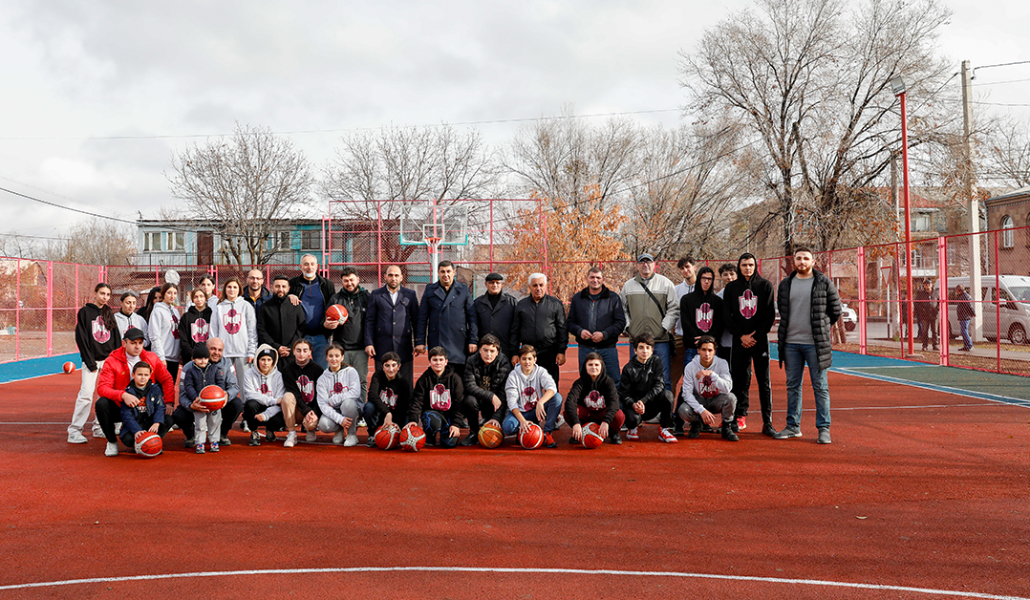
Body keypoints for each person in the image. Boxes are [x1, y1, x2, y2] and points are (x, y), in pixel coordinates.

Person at [774, 247, 842, 445]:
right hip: (790, 344)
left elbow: (835, 310)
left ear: (813, 261)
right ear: (794, 261)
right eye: (798, 258)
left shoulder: (824, 282)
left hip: (815, 345)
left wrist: (821, 327)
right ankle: (793, 427)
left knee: (820, 386)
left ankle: (824, 428)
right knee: (792, 386)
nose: (802, 261)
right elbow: (783, 311)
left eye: (805, 258)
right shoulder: (785, 284)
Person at [94, 328, 174, 457]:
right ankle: (112, 441)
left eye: (140, 343)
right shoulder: (112, 361)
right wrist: (123, 395)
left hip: (147, 407)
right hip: (123, 407)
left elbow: (167, 379)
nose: (137, 346)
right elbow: (102, 388)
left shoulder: (151, 358)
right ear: (124, 343)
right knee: (101, 404)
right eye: (133, 343)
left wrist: (169, 402)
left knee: (169, 417)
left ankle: (152, 441)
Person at [723, 252, 776, 436]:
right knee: (738, 381)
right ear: (739, 266)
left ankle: (767, 423)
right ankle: (735, 420)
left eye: (751, 265)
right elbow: (727, 315)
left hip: (759, 342)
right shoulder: (731, 288)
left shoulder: (765, 286)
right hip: (739, 342)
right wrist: (741, 336)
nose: (748, 268)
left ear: (755, 266)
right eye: (744, 265)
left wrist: (755, 335)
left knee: (764, 382)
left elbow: (769, 315)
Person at [67, 283, 122, 444]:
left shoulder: (109, 312)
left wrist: (116, 359)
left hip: (108, 361)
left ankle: (99, 428)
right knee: (86, 395)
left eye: (108, 294)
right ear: (95, 293)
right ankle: (74, 431)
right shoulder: (85, 312)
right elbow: (81, 338)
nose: (105, 297)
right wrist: (89, 361)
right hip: (91, 361)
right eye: (102, 293)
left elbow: (116, 338)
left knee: (105, 396)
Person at [620, 253, 679, 391]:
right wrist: (628, 327)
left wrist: (663, 328)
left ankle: (664, 405)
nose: (645, 265)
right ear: (637, 266)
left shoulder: (665, 283)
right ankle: (639, 405)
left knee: (664, 379)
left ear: (654, 264)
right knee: (636, 378)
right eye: (642, 262)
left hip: (660, 340)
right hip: (637, 341)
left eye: (648, 262)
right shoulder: (628, 286)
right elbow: (622, 309)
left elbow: (674, 308)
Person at [172, 336, 241, 447]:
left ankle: (222, 434)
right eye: (213, 349)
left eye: (220, 350)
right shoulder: (188, 367)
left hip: (218, 404)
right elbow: (183, 393)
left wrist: (226, 395)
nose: (216, 352)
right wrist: (191, 405)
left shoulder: (227, 364)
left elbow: (234, 386)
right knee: (179, 414)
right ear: (205, 348)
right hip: (197, 403)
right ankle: (190, 435)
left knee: (237, 404)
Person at [415, 260, 477, 377]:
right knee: (438, 378)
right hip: (437, 339)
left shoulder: (463, 290)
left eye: (448, 271)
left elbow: (472, 317)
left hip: (459, 342)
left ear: (454, 272)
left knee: (459, 379)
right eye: (442, 271)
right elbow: (422, 318)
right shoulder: (430, 290)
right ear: (438, 273)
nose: (446, 274)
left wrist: (473, 339)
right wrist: (420, 341)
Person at [566, 267, 626, 385]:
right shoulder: (578, 298)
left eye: (598, 277)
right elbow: (570, 322)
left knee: (613, 382)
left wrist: (604, 334)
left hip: (608, 348)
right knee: (587, 382)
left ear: (603, 279)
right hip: (585, 348)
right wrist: (580, 331)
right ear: (586, 279)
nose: (595, 280)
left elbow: (620, 323)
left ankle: (613, 399)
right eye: (592, 277)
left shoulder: (613, 298)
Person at [364, 265, 420, 384]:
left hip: (403, 346)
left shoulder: (410, 295)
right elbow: (370, 320)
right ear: (385, 277)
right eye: (390, 275)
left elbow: (416, 320)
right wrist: (369, 343)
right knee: (382, 384)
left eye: (396, 275)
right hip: (382, 346)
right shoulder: (376, 294)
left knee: (406, 384)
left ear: (401, 277)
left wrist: (419, 342)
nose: (393, 278)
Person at [510, 273, 567, 384]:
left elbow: (562, 329)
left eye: (541, 285)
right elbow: (515, 331)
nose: (538, 288)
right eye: (535, 285)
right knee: (529, 387)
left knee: (551, 386)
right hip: (528, 353)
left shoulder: (555, 304)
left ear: (545, 286)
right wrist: (514, 353)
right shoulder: (521, 305)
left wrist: (561, 351)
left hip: (550, 352)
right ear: (529, 287)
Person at [619, 333, 677, 443]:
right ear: (635, 350)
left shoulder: (656, 362)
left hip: (651, 405)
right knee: (632, 418)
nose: (644, 351)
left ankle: (664, 429)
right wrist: (634, 404)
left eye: (647, 347)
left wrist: (644, 400)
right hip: (635, 407)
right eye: (641, 347)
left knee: (668, 395)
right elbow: (623, 393)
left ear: (652, 350)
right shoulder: (628, 368)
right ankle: (632, 427)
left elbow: (659, 385)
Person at [680, 336, 738, 442]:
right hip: (699, 400)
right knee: (683, 410)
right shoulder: (690, 367)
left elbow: (727, 388)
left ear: (714, 351)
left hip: (716, 400)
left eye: (710, 350)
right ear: (698, 351)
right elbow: (686, 394)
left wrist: (711, 374)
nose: (707, 354)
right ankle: (696, 423)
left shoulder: (722, 364)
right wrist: (701, 410)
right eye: (703, 350)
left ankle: (726, 427)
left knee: (731, 398)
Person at [503, 345, 562, 448]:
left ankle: (547, 433)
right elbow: (512, 403)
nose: (527, 362)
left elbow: (552, 388)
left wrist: (541, 402)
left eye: (530, 359)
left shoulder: (540, 372)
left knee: (557, 398)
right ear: (519, 360)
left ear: (535, 360)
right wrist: (522, 421)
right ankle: (522, 431)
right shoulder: (513, 376)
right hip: (521, 412)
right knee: (508, 427)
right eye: (524, 359)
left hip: (536, 411)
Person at [326, 267, 371, 402]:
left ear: (358, 279)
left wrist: (370, 343)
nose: (349, 283)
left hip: (360, 348)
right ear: (342, 281)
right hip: (341, 348)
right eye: (346, 281)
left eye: (352, 280)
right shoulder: (335, 299)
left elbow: (372, 321)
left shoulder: (367, 297)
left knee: (361, 381)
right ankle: (342, 408)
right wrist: (327, 325)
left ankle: (361, 409)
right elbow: (325, 322)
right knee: (341, 382)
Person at [459, 334, 512, 446]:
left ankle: (494, 422)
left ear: (497, 352)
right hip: (482, 398)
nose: (488, 354)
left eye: (492, 351)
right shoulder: (471, 360)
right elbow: (469, 385)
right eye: (485, 350)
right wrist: (490, 396)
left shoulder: (504, 364)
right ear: (479, 350)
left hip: (498, 403)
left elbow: (503, 394)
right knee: (469, 400)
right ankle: (474, 432)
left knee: (500, 426)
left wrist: (496, 418)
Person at [408, 346, 466, 448]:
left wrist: (456, 424)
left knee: (449, 444)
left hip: (448, 415)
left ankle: (445, 431)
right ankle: (430, 436)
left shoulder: (455, 379)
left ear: (446, 362)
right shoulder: (424, 379)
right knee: (432, 422)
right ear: (429, 362)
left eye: (441, 360)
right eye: (435, 360)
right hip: (431, 413)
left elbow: (459, 403)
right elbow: (417, 401)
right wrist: (413, 420)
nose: (438, 363)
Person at [288, 254, 336, 369]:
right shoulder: (293, 284)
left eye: (312, 264)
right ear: (300, 267)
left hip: (322, 336)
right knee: (300, 371)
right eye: (306, 264)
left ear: (317, 266)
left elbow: (332, 307)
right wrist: (288, 296)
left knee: (321, 371)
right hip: (301, 336)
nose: (309, 267)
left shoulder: (327, 285)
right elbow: (281, 298)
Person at [566, 353, 624, 445]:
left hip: (602, 414)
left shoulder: (608, 382)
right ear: (585, 366)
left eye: (596, 365)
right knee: (568, 412)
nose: (593, 367)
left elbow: (614, 403)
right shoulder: (579, 383)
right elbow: (570, 402)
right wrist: (576, 423)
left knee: (619, 415)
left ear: (602, 366)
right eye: (590, 365)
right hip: (587, 414)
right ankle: (579, 432)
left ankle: (613, 432)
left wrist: (606, 421)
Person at [210, 276, 258, 387]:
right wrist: (214, 351)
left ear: (239, 290)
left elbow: (252, 331)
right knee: (222, 383)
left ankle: (244, 400)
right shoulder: (219, 308)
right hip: (223, 353)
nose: (232, 289)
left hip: (243, 352)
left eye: (235, 287)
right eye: (229, 287)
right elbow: (213, 332)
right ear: (225, 289)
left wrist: (251, 352)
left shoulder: (246, 306)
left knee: (245, 384)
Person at [178, 343, 226, 454]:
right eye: (199, 358)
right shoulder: (190, 371)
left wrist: (220, 393)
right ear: (193, 359)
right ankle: (200, 442)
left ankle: (214, 441)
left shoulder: (214, 369)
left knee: (215, 422)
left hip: (214, 403)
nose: (203, 361)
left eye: (205, 358)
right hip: (200, 403)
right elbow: (188, 386)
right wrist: (195, 397)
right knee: (200, 424)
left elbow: (220, 382)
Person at [316, 343, 364, 446]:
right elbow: (323, 404)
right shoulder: (322, 379)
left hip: (351, 408)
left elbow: (355, 392)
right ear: (326, 358)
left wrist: (334, 399)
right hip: (335, 411)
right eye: (331, 356)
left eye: (337, 356)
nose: (334, 359)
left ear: (342, 357)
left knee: (347, 404)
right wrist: (340, 419)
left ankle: (352, 434)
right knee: (324, 425)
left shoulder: (351, 372)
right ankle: (340, 429)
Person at [242, 345, 290, 446]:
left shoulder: (279, 376)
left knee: (284, 413)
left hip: (273, 409)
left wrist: (266, 415)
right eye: (262, 359)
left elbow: (280, 401)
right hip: (257, 407)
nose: (265, 363)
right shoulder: (249, 374)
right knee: (250, 405)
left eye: (269, 359)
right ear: (257, 360)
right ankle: (254, 432)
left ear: (273, 361)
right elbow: (250, 394)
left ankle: (270, 430)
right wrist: (273, 401)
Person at [118, 361, 170, 454]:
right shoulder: (127, 392)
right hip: (136, 422)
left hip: (150, 423)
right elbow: (126, 415)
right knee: (128, 439)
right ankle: (139, 445)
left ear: (150, 376)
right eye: (140, 374)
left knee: (168, 419)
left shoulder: (155, 389)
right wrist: (136, 430)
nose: (143, 377)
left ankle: (154, 442)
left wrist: (157, 422)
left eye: (146, 375)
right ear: (133, 375)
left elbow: (160, 407)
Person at [363, 351, 413, 447]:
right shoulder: (378, 376)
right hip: (381, 413)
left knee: (408, 419)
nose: (391, 369)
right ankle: (373, 433)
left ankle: (398, 433)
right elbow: (372, 396)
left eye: (394, 365)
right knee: (369, 407)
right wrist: (387, 413)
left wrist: (396, 423)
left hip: (396, 414)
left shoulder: (403, 382)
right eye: (387, 365)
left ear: (399, 366)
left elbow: (403, 407)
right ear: (382, 367)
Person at [279, 339, 324, 444]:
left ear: (310, 352)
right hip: (297, 410)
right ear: (293, 351)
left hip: (312, 410)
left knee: (311, 426)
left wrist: (313, 413)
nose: (301, 354)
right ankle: (291, 433)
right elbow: (294, 393)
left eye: (305, 350)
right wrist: (306, 411)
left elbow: (320, 395)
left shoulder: (318, 370)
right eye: (298, 350)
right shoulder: (287, 370)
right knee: (287, 397)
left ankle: (310, 429)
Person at [257, 275, 306, 358]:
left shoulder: (296, 306)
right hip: (271, 352)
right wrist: (276, 347)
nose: (280, 289)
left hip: (292, 353)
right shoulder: (265, 307)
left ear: (288, 289)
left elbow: (301, 328)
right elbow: (261, 329)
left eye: (283, 286)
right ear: (272, 287)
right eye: (277, 286)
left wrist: (291, 347)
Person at [473, 272, 518, 357]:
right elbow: (473, 324)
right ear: (486, 284)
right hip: (484, 351)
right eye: (491, 282)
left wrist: (514, 352)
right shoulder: (478, 303)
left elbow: (515, 328)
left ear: (502, 284)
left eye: (497, 282)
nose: (495, 285)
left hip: (505, 349)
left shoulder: (511, 303)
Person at [672, 256, 697, 397]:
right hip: (680, 338)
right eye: (682, 268)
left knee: (695, 379)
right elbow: (672, 314)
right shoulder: (676, 290)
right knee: (671, 377)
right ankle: (668, 407)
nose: (685, 270)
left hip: (697, 340)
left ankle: (692, 407)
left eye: (687, 267)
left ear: (694, 267)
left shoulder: (704, 287)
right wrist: (672, 335)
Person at [147, 282, 181, 383]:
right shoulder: (157, 311)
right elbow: (154, 336)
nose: (172, 296)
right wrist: (161, 357)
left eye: (175, 293)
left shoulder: (176, 312)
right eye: (169, 293)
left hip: (174, 358)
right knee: (160, 388)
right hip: (162, 357)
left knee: (170, 388)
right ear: (163, 294)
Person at [178, 288, 212, 365]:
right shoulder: (186, 317)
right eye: (196, 297)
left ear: (205, 298)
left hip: (208, 358)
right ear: (192, 299)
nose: (199, 299)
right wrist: (192, 354)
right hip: (190, 358)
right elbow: (183, 339)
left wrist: (208, 354)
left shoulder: (212, 315)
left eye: (201, 296)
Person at [715, 264, 737, 363]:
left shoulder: (744, 294)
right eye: (725, 274)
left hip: (742, 342)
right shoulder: (718, 297)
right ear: (721, 277)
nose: (729, 277)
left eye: (732, 274)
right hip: (725, 342)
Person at [915, 278, 939, 351]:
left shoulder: (936, 293)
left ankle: (935, 345)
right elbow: (917, 304)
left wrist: (937, 309)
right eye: (926, 284)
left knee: (935, 331)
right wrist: (922, 310)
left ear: (931, 285)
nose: (927, 286)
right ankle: (925, 345)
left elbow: (939, 302)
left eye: (929, 284)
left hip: (934, 315)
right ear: (924, 286)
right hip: (924, 316)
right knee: (925, 331)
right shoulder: (921, 294)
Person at [956, 285, 974, 351]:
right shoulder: (962, 296)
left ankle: (969, 345)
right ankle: (966, 345)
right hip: (963, 316)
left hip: (965, 316)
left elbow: (969, 306)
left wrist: (972, 313)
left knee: (964, 331)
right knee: (963, 331)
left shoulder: (965, 296)